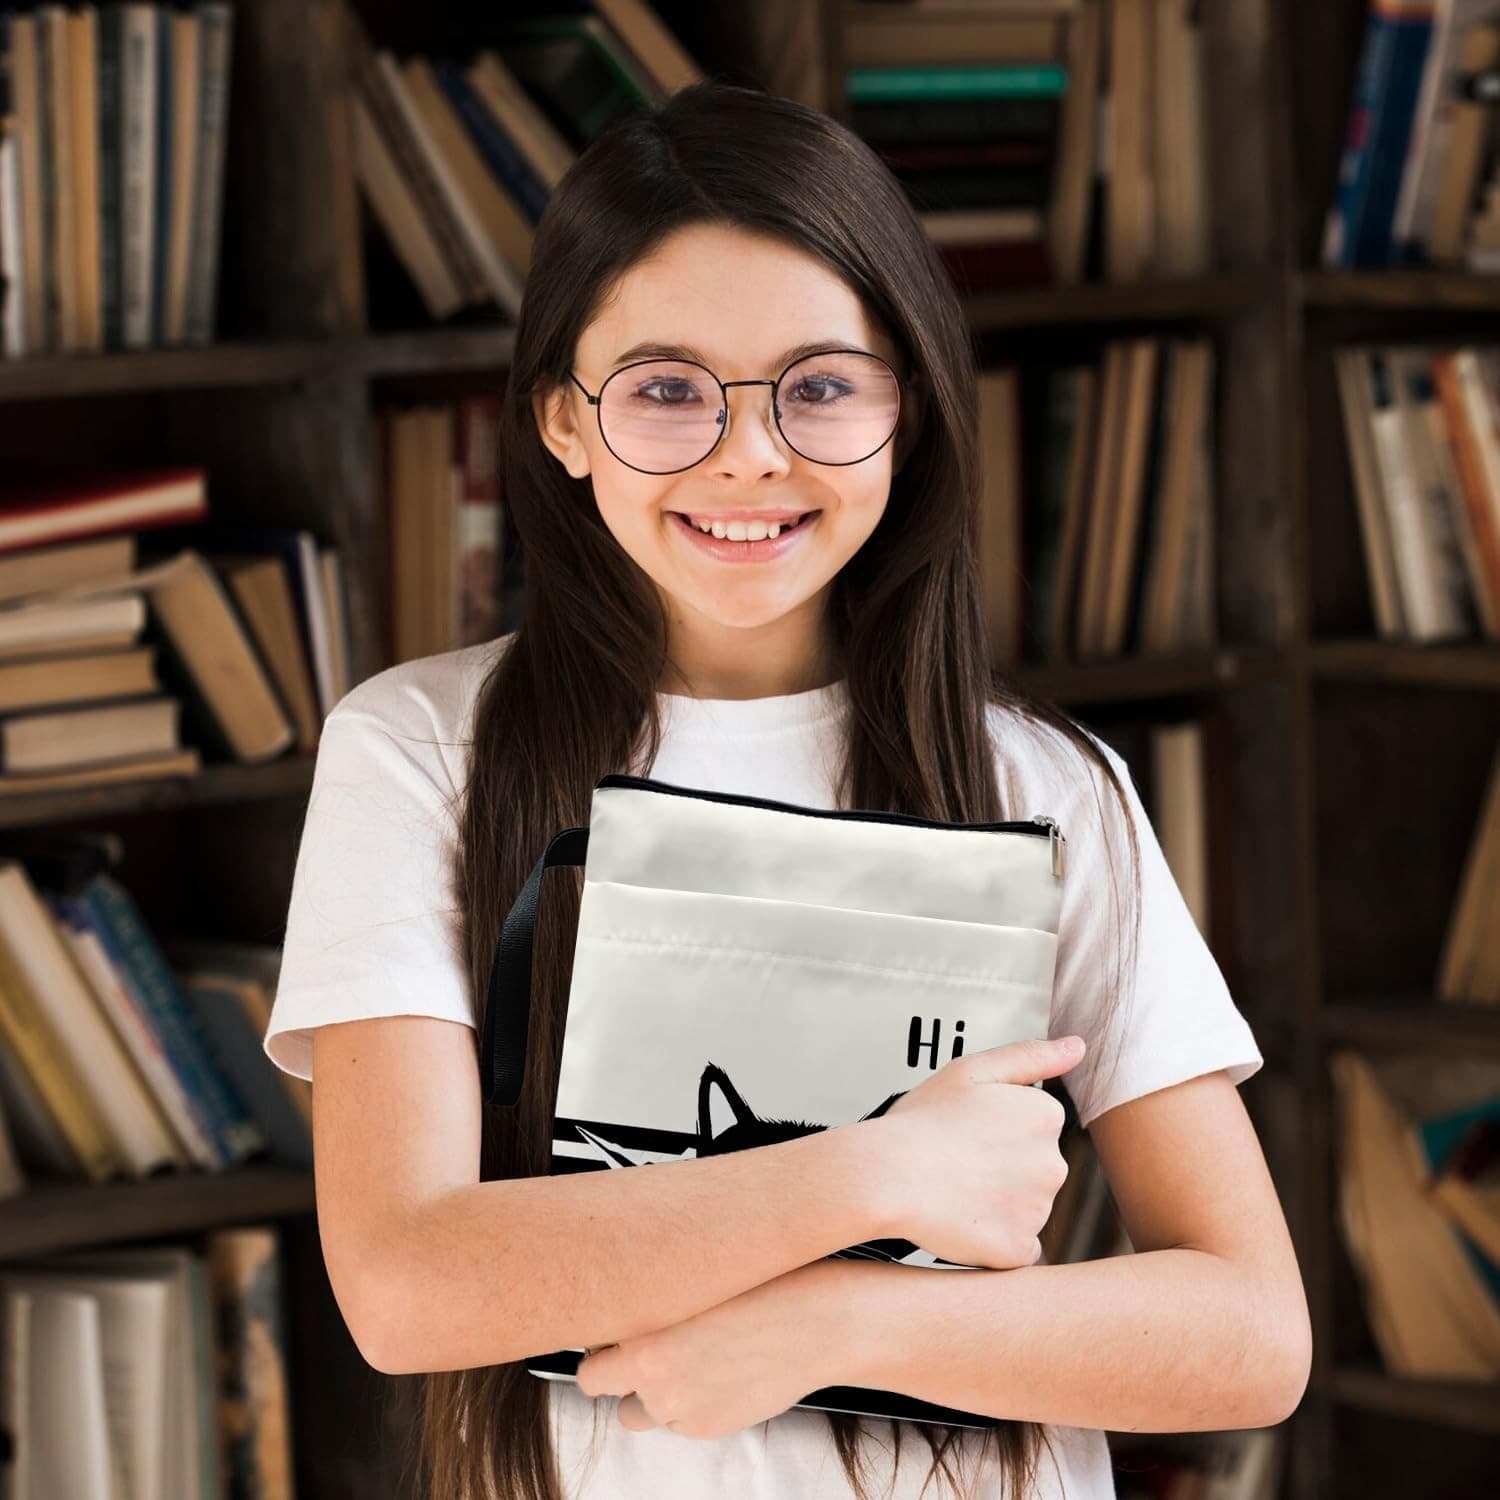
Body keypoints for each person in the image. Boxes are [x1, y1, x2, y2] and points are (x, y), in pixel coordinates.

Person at [262, 79, 1309, 1500]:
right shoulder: (421, 752)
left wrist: (833, 1323)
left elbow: (1252, 1337)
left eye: (819, 386)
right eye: (668, 389)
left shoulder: (1046, 782)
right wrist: (873, 1177)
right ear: (563, 424)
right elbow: (405, 1289)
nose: (750, 453)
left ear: (910, 411)